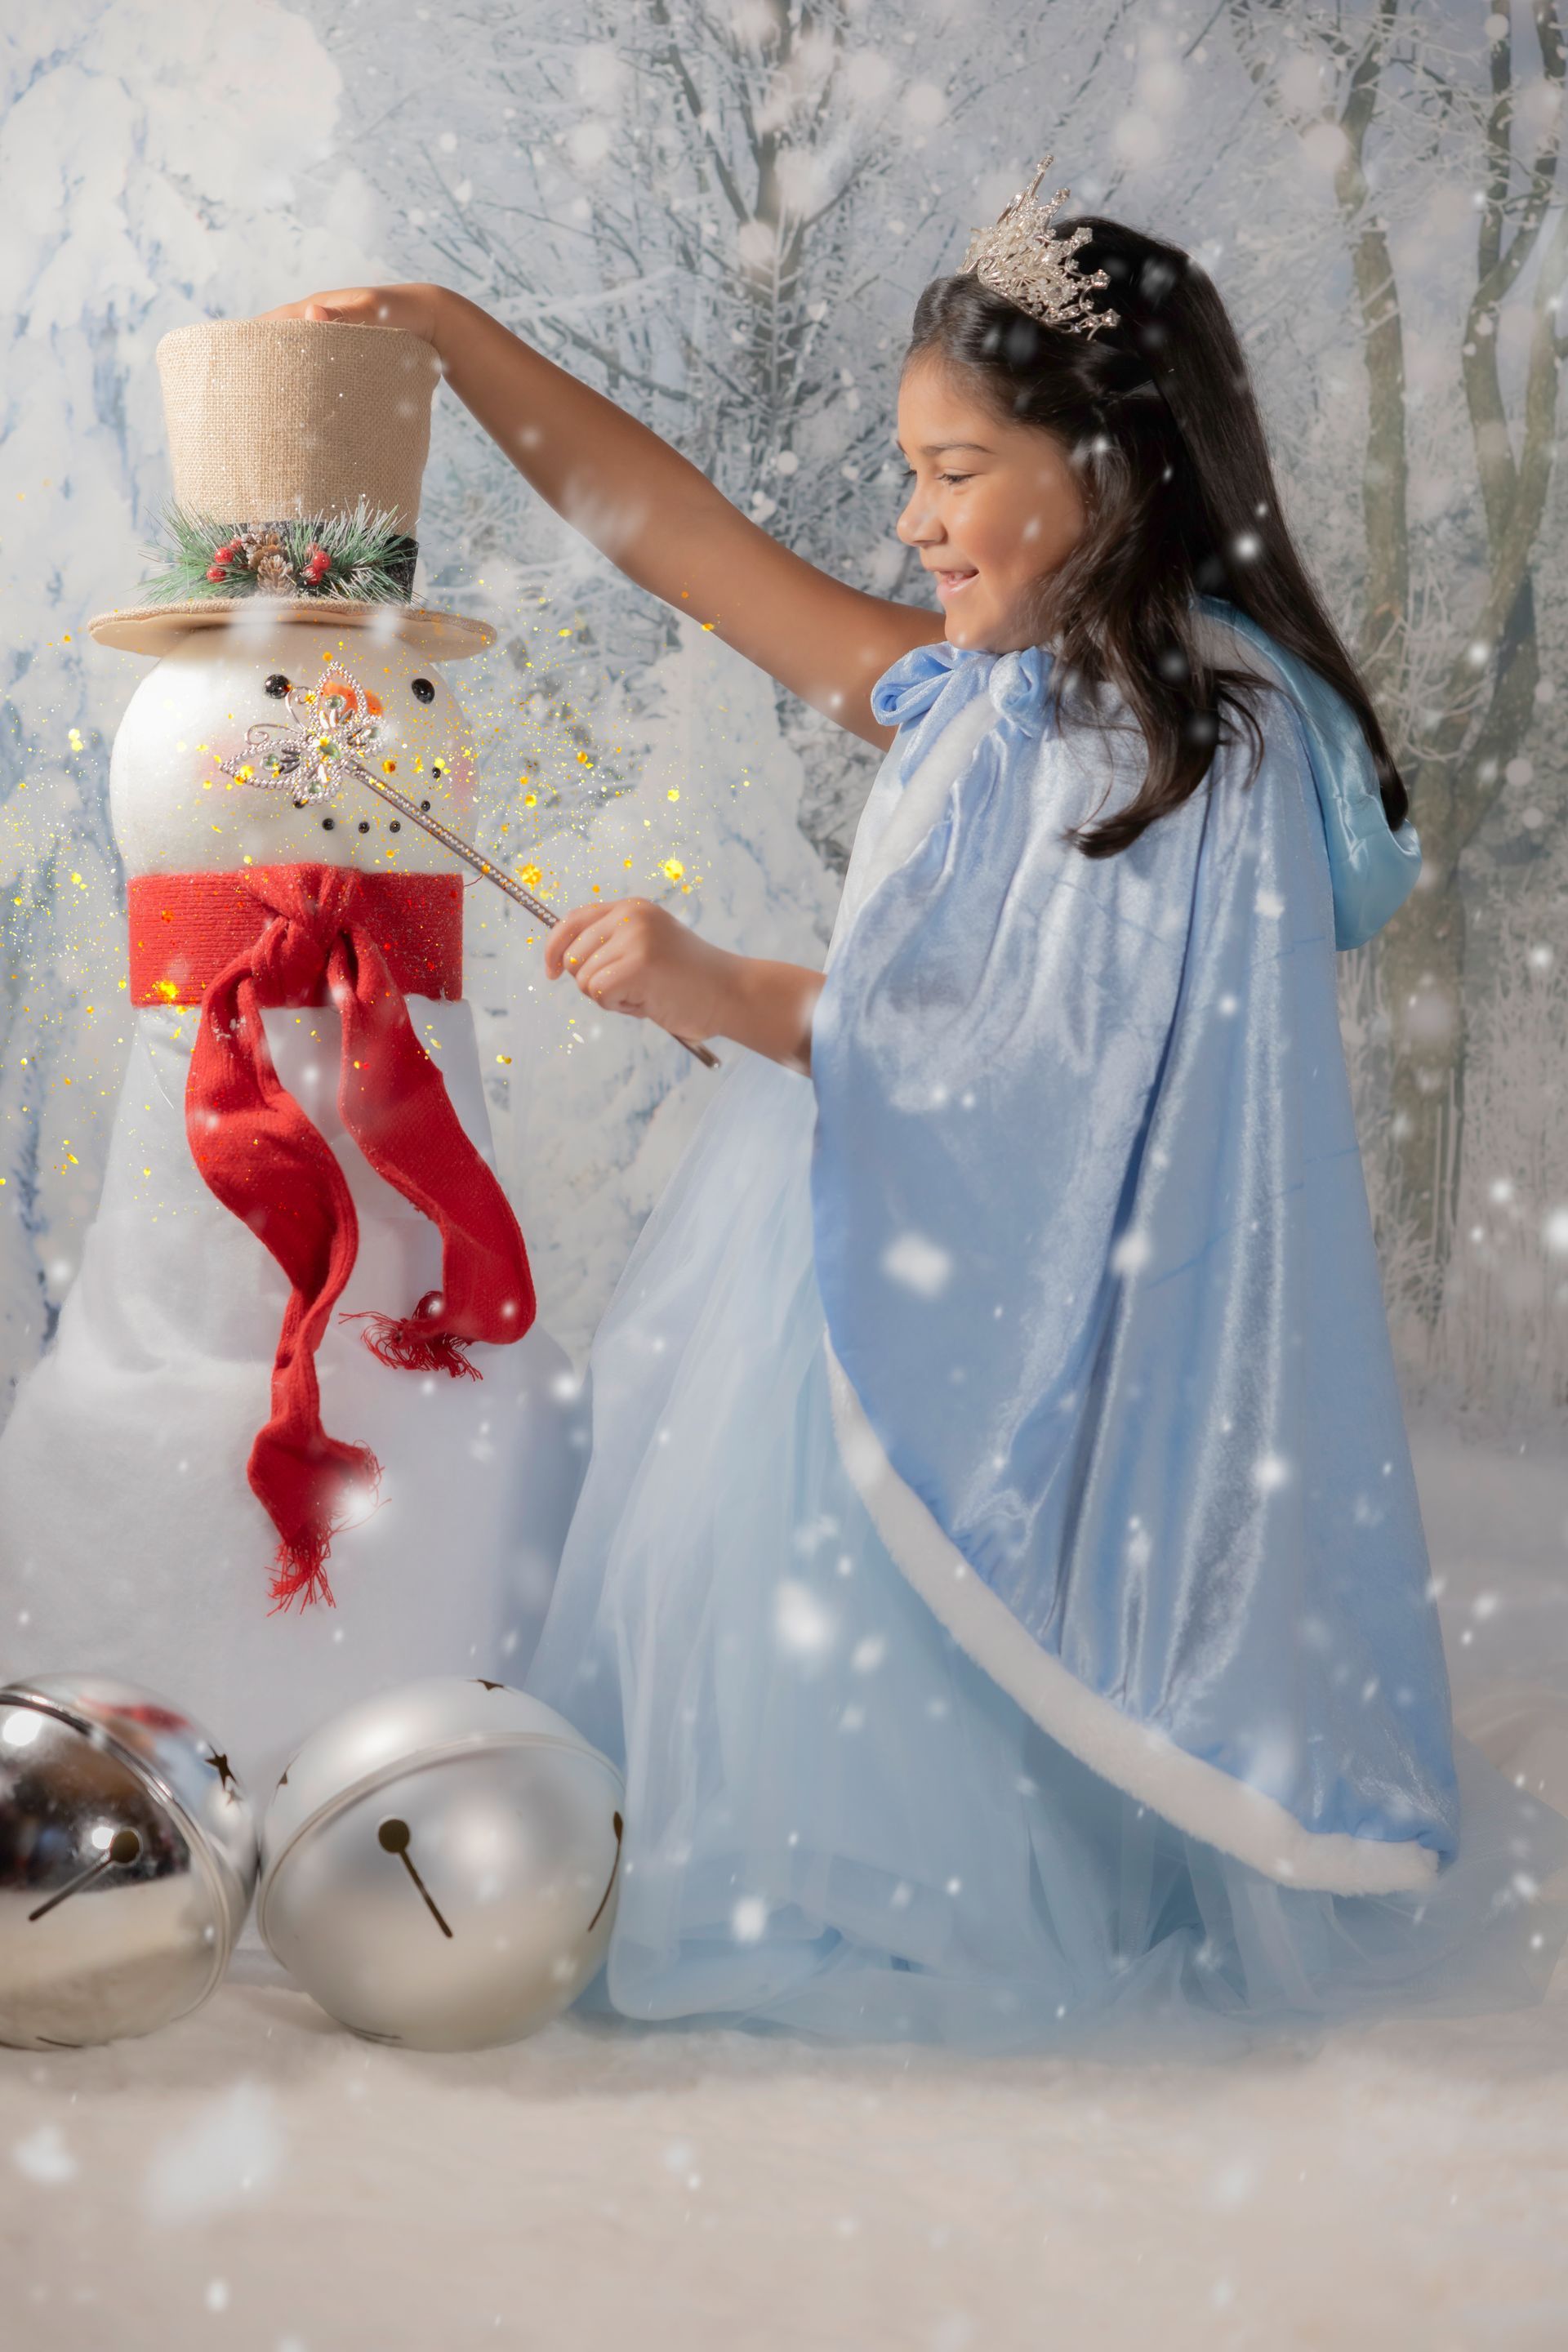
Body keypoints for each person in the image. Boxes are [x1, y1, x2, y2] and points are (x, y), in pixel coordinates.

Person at [265, 170, 1568, 2057]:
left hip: (973, 1305)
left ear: (1109, 464)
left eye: (956, 469)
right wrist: (455, 340)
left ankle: (931, 1910)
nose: (913, 516)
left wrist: (719, 987)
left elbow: (1015, 1078)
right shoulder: (991, 696)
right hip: (871, 1258)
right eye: (911, 467)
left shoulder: (1198, 740)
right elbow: (681, 546)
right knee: (776, 1631)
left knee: (886, 1698)